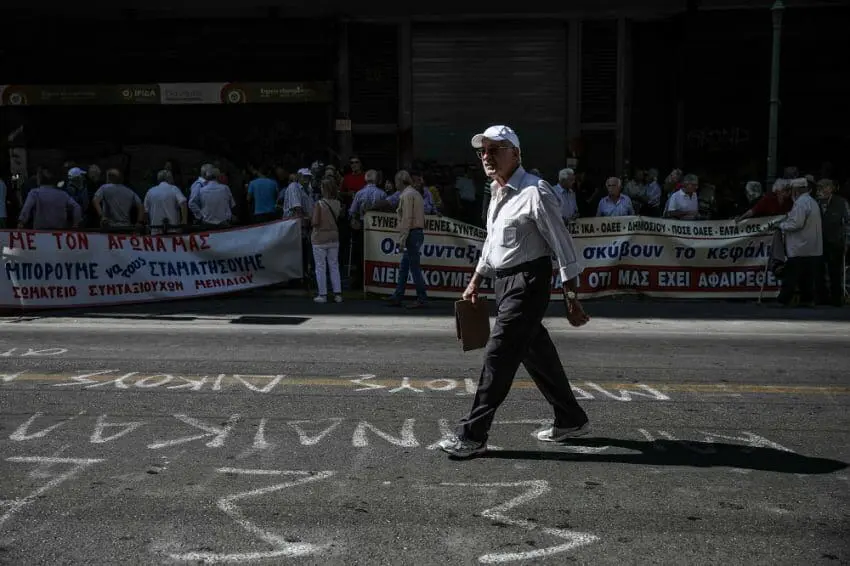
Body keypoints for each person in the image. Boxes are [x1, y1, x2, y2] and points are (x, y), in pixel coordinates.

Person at [437, 125, 591, 460]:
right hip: (504, 283)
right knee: (537, 354)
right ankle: (571, 419)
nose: (487, 157)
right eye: (483, 152)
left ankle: (473, 435)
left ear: (516, 154)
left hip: (528, 282)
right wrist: (476, 281)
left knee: (498, 355)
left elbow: (562, 244)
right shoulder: (496, 192)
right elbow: (492, 243)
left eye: (495, 150)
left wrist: (571, 297)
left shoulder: (536, 191)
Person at [311, 179, 344, 304]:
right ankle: (338, 294)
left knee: (320, 267)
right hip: (334, 237)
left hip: (319, 238)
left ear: (324, 189)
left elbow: (315, 222)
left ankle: (323, 295)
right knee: (334, 266)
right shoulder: (337, 203)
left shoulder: (319, 203)